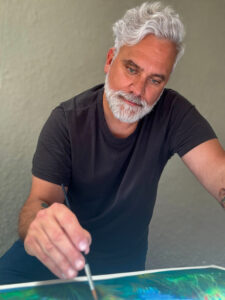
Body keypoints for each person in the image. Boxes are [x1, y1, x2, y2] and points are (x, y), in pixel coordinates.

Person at [0, 1, 224, 285]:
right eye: (132, 69)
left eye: (155, 80)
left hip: (120, 266)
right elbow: (38, 202)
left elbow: (220, 174)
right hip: (51, 258)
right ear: (110, 60)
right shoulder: (66, 121)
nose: (138, 90)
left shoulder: (173, 113)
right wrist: (39, 225)